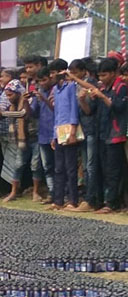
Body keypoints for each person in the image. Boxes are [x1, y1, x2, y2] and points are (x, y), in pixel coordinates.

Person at [69, 57, 127, 214]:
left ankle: (112, 203)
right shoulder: (103, 88)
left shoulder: (121, 87)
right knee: (101, 169)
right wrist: (82, 100)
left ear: (114, 73)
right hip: (101, 133)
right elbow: (89, 111)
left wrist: (102, 97)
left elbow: (119, 107)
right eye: (100, 76)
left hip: (116, 134)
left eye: (105, 75)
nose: (102, 79)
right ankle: (100, 201)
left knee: (113, 171)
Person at [0, 79, 30, 203]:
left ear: (18, 92)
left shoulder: (25, 101)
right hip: (14, 138)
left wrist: (3, 111)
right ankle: (15, 190)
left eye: (11, 95)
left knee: (21, 164)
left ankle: (17, 191)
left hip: (28, 138)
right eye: (7, 96)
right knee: (12, 164)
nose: (9, 98)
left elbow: (22, 113)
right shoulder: (12, 105)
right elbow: (0, 117)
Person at [47, 58, 80, 211]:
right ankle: (58, 200)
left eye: (53, 73)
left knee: (71, 168)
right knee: (59, 168)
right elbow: (57, 114)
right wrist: (54, 135)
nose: (51, 76)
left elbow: (74, 109)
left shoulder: (71, 86)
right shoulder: (56, 90)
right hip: (59, 130)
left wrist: (73, 131)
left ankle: (73, 200)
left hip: (69, 129)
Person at [69, 58, 100, 212]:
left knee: (91, 166)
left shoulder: (89, 84)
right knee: (86, 167)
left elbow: (89, 110)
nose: (72, 76)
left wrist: (82, 101)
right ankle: (87, 198)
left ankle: (91, 199)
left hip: (92, 129)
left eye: (75, 73)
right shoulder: (74, 86)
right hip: (82, 129)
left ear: (83, 71)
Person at [31, 67, 56, 203]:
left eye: (44, 80)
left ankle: (60, 194)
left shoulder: (55, 90)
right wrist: (26, 103)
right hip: (43, 134)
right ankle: (52, 193)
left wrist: (44, 99)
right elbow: (33, 113)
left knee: (59, 166)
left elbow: (56, 109)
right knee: (47, 167)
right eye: (39, 81)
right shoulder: (39, 92)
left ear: (51, 77)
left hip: (56, 134)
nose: (42, 83)